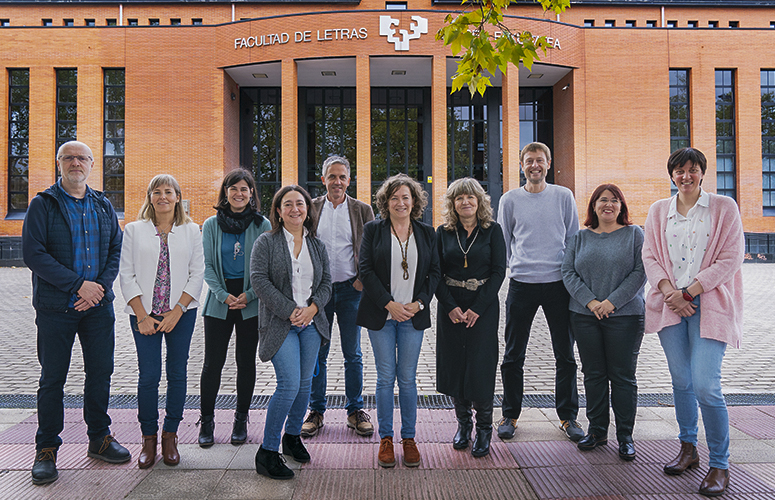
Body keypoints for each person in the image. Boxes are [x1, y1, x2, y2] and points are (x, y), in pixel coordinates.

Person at [22, 140, 130, 485]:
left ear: (92, 164)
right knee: (53, 379)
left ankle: (99, 438)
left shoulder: (102, 204)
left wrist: (97, 288)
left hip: (97, 308)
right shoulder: (43, 204)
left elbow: (116, 248)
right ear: (58, 163)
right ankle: (46, 449)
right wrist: (77, 285)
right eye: (69, 157)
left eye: (82, 158)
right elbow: (34, 255)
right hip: (56, 308)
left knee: (100, 374)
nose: (75, 163)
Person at [642, 147, 744, 497]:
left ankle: (720, 464)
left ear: (703, 172)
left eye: (693, 169)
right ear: (671, 174)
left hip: (709, 300)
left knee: (705, 384)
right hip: (670, 302)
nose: (686, 176)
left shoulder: (723, 208)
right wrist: (671, 291)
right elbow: (650, 255)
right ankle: (688, 448)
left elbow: (731, 257)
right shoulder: (659, 211)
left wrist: (691, 292)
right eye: (679, 170)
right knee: (682, 381)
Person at [496, 141, 583, 442]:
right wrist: (508, 273)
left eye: (540, 161)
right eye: (529, 161)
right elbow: (503, 243)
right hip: (521, 284)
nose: (535, 166)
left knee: (565, 354)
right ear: (522, 166)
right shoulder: (509, 200)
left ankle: (568, 416)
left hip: (558, 285)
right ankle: (510, 414)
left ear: (549, 164)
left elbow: (573, 239)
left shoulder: (563, 196)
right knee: (512, 355)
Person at [119, 174, 204, 469]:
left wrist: (178, 310)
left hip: (180, 313)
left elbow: (198, 274)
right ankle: (148, 439)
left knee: (177, 373)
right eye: (157, 192)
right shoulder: (133, 230)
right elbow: (126, 275)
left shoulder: (192, 230)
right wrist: (141, 315)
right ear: (150, 197)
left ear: (178, 197)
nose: (163, 197)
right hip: (144, 315)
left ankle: (171, 436)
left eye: (169, 192)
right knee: (149, 376)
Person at [357, 173, 440, 469]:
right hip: (382, 314)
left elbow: (435, 274)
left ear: (414, 201)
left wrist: (418, 304)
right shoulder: (373, 230)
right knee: (384, 378)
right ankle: (386, 439)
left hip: (412, 317)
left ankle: (409, 438)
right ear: (385, 202)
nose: (400, 202)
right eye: (394, 197)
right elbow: (365, 270)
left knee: (406, 379)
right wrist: (389, 304)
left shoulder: (428, 233)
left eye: (405, 197)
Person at [250, 185, 332, 480]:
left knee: (305, 385)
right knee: (289, 384)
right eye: (288, 204)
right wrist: (290, 310)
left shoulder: (317, 245)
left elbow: (326, 284)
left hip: (311, 324)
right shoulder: (266, 242)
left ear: (307, 209)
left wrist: (311, 309)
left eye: (300, 204)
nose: (295, 209)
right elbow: (259, 280)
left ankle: (292, 437)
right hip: (280, 323)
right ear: (278, 211)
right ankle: (267, 452)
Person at [561, 183, 646, 461]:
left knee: (622, 377)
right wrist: (591, 302)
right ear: (593, 206)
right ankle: (597, 431)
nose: (608, 204)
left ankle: (625, 436)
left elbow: (640, 272)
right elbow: (568, 272)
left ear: (621, 206)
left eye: (614, 200)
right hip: (584, 316)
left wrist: (611, 302)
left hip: (625, 317)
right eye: (602, 200)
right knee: (594, 374)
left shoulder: (635, 235)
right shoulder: (579, 238)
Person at [302, 155, 375, 438]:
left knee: (352, 353)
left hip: (350, 291)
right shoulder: (311, 209)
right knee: (317, 352)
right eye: (332, 176)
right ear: (323, 180)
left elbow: (371, 251)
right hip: (318, 293)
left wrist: (361, 282)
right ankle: (316, 410)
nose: (337, 182)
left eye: (342, 177)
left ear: (349, 179)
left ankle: (355, 410)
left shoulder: (361, 210)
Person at [198, 169, 271, 447]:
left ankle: (241, 420)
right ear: (225, 192)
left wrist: (250, 295)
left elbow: (265, 267)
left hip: (251, 304)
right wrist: (223, 295)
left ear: (252, 193)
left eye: (244, 189)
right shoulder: (210, 225)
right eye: (233, 189)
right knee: (212, 364)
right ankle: (206, 421)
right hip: (219, 302)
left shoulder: (262, 224)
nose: (239, 194)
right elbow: (205, 265)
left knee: (245, 363)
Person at [435, 178, 506, 458]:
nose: (465, 202)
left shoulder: (492, 231)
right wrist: (450, 305)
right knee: (456, 363)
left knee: (480, 363)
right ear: (453, 203)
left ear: (480, 202)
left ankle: (485, 429)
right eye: (459, 198)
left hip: (483, 307)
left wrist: (477, 307)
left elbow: (499, 271)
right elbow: (435, 273)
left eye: (471, 197)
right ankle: (463, 426)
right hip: (450, 306)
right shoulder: (443, 233)